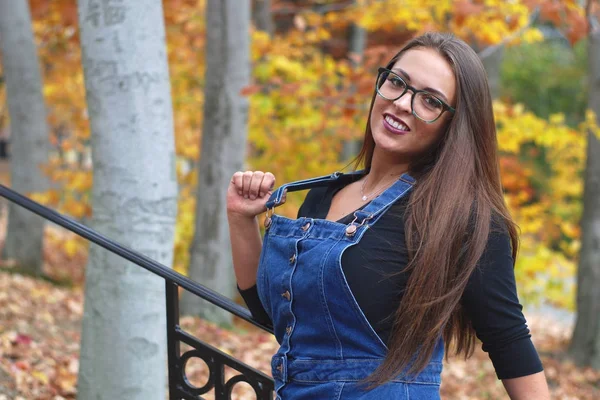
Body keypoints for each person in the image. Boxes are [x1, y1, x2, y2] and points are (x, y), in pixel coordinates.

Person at [226, 32, 550, 399]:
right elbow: (277, 315)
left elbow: (508, 339)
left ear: (453, 125)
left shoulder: (459, 218)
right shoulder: (321, 197)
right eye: (397, 82)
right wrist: (241, 220)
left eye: (430, 101)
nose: (401, 103)